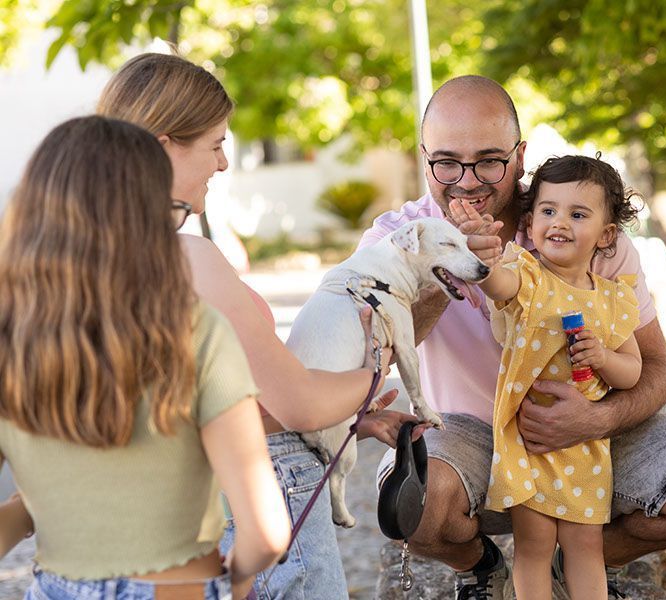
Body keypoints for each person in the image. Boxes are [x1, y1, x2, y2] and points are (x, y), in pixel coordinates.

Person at [363, 75, 666, 599]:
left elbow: (658, 371)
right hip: (471, 434)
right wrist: (444, 263)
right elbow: (372, 361)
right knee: (414, 503)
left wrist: (597, 417)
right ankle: (482, 565)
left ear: (520, 157)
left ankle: (576, 558)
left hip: (596, 431)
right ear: (423, 156)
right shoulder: (391, 239)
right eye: (447, 162)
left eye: (489, 161)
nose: (468, 182)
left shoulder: (584, 226)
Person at [93, 52, 420, 599]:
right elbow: (300, 403)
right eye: (216, 145)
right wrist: (376, 368)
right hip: (260, 494)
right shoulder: (185, 258)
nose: (223, 165)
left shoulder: (91, 257)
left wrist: (347, 421)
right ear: (163, 143)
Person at [0, 115, 290, 599]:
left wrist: (33, 509)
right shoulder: (195, 327)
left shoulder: (11, 335)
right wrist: (236, 586)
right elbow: (265, 533)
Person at [449, 153, 644, 600]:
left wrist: (602, 357)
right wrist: (481, 254)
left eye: (578, 214)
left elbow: (632, 371)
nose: (559, 222)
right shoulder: (528, 275)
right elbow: (498, 285)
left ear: (606, 234)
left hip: (586, 446)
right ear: (532, 220)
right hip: (529, 445)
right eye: (548, 210)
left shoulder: (615, 299)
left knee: (585, 546)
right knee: (534, 545)